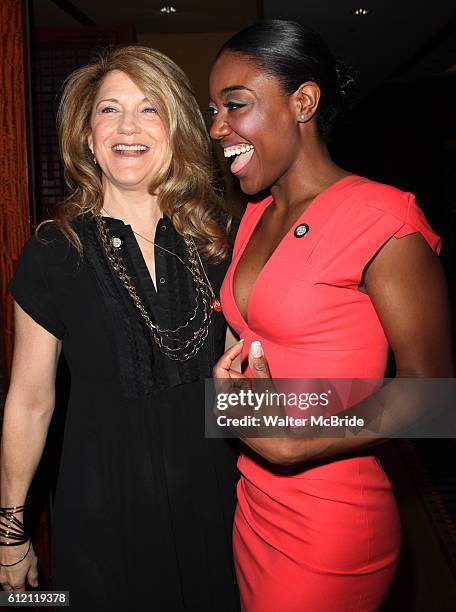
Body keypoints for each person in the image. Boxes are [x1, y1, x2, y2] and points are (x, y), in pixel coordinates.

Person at [208, 20, 454, 612]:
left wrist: (302, 440)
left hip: (331, 523)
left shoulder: (381, 215)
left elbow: (433, 393)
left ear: (304, 102)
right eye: (212, 110)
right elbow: (262, 361)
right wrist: (234, 399)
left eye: (234, 106)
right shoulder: (254, 215)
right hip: (255, 502)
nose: (217, 128)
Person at [0, 46, 240, 611]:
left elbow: (251, 377)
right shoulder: (53, 253)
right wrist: (10, 534)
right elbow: (30, 401)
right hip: (103, 508)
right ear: (87, 135)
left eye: (149, 108)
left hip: (221, 498)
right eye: (110, 110)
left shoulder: (224, 240)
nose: (128, 127)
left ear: (177, 127)